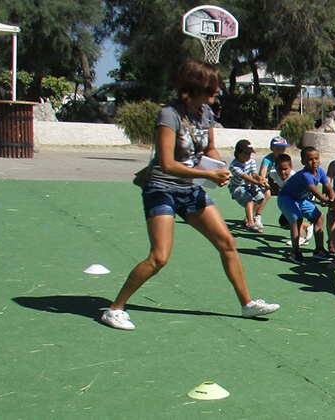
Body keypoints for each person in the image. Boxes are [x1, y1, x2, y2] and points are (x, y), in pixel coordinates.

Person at [100, 60, 279, 331]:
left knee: (227, 243)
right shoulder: (169, 115)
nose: (216, 92)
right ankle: (115, 309)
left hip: (190, 189)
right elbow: (167, 164)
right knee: (159, 257)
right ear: (193, 87)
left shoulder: (205, 112)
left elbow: (210, 149)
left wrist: (218, 168)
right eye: (210, 88)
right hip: (162, 189)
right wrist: (208, 176)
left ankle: (247, 304)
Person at [277, 146, 335, 264]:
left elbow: (328, 187)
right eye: (309, 159)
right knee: (297, 219)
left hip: (301, 199)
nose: (314, 162)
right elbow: (316, 192)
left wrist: (333, 200)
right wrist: (327, 201)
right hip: (286, 198)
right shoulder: (305, 175)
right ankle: (295, 251)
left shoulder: (320, 172)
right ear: (303, 162)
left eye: (316, 158)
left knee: (319, 217)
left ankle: (319, 250)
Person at [268, 154, 311, 246]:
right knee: (284, 223)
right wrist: (273, 187)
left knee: (295, 218)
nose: (283, 172)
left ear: (291, 167)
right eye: (280, 169)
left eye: (285, 169)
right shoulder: (273, 173)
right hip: (286, 200)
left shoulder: (295, 177)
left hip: (298, 199)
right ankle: (308, 226)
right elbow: (270, 177)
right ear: (275, 168)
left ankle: (300, 238)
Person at [228, 140, 268, 233]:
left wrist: (260, 178)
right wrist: (258, 183)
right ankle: (251, 224)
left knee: (260, 198)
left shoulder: (251, 160)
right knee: (249, 200)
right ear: (238, 153)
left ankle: (246, 220)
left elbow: (254, 173)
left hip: (249, 185)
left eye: (250, 153)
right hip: (237, 187)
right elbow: (245, 177)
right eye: (246, 153)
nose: (249, 156)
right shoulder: (234, 166)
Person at [258, 136, 288, 229]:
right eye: (277, 148)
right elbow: (263, 170)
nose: (280, 150)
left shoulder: (284, 159)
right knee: (267, 193)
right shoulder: (267, 159)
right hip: (265, 182)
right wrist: (263, 179)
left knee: (288, 195)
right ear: (272, 148)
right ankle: (257, 216)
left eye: (282, 148)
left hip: (277, 184)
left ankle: (286, 218)